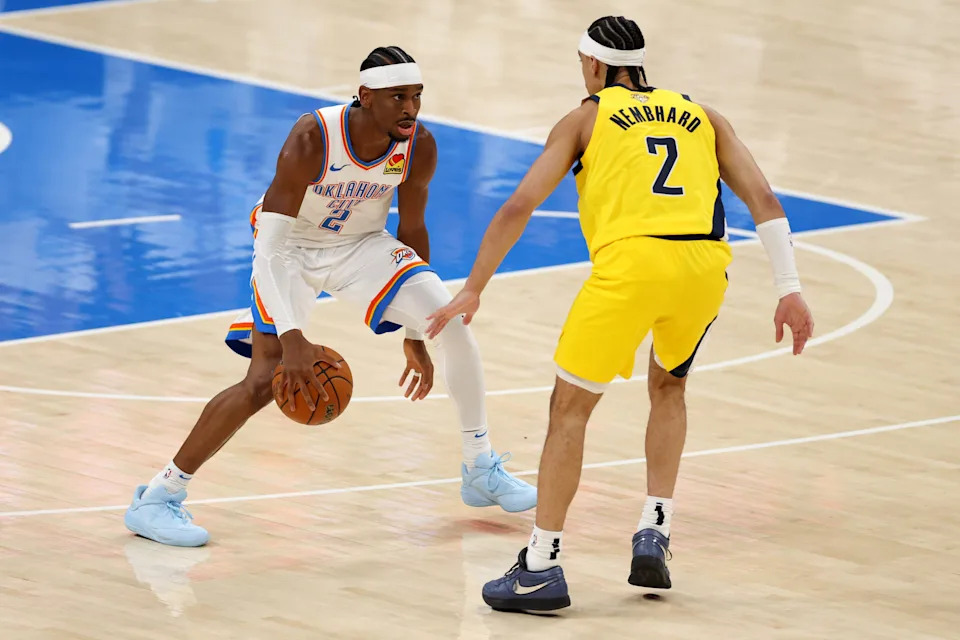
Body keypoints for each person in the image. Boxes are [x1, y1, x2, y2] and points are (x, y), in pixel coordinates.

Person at [426, 16, 815, 612]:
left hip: (631, 270)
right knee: (670, 387)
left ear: (591, 64)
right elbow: (763, 199)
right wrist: (789, 287)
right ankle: (654, 527)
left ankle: (540, 566)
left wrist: (474, 286)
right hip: (704, 269)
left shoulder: (584, 118)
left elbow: (518, 204)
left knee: (569, 410)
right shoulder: (703, 115)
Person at [124, 46, 537, 547]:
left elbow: (412, 228)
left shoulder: (418, 145)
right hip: (290, 250)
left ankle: (479, 467)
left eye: (417, 97)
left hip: (360, 246)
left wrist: (413, 334)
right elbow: (270, 247)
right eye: (397, 97)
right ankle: (159, 497)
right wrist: (293, 337)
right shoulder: (312, 137)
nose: (411, 108)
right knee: (261, 381)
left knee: (447, 321)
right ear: (365, 97)